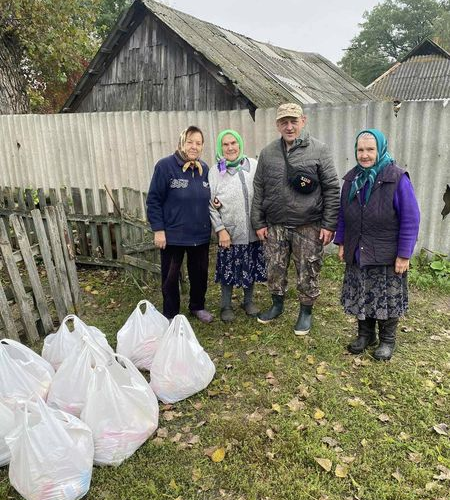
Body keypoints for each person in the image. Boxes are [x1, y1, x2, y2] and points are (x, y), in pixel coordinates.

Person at [251, 103, 340, 335]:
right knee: (274, 267)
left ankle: (305, 313)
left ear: (303, 120)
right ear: (277, 125)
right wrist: (258, 222)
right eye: (284, 122)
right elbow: (259, 188)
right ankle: (277, 305)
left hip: (308, 224)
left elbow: (331, 188)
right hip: (276, 224)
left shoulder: (319, 150)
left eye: (293, 121)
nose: (289, 127)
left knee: (308, 269)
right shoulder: (268, 153)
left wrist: (329, 224)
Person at [334, 129, 420, 360]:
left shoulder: (397, 178)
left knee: (386, 297)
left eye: (370, 149)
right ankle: (366, 335)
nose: (364, 155)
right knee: (363, 293)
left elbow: (410, 218)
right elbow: (343, 214)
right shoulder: (351, 179)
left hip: (386, 252)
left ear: (380, 149)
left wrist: (404, 254)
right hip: (358, 250)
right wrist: (341, 242)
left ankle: (387, 341)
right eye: (360, 150)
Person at [146, 126, 213, 323]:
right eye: (190, 141)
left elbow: (210, 198)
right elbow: (154, 200)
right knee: (170, 277)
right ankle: (170, 313)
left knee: (199, 274)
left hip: (200, 234)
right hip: (173, 235)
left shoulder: (205, 170)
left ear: (202, 147)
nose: (194, 146)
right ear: (181, 142)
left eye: (198, 143)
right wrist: (158, 230)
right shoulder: (165, 166)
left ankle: (197, 306)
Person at [209, 129, 266, 322]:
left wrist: (262, 222)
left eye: (234, 143)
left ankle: (248, 301)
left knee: (250, 265)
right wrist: (220, 230)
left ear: (240, 144)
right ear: (220, 147)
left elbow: (262, 194)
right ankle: (225, 305)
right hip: (230, 233)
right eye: (225, 144)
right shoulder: (216, 171)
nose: (230, 147)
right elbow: (210, 204)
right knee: (228, 270)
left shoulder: (253, 165)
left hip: (252, 230)